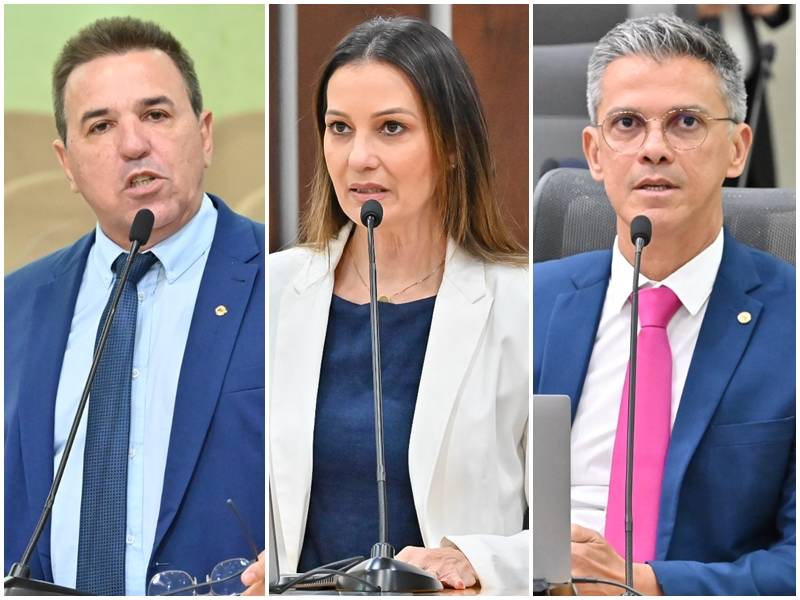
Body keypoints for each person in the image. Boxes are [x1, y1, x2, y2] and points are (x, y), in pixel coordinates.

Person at [534, 15, 794, 596]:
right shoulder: (527, 303)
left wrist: (647, 584)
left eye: (686, 123)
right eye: (627, 123)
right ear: (595, 154)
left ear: (737, 149)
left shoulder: (792, 322)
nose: (654, 148)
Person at [4, 17, 265, 595]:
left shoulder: (292, 283)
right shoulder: (14, 307)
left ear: (204, 135)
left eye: (155, 114)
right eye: (100, 126)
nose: (133, 144)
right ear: (66, 163)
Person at [270, 16, 529, 592]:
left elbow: (578, 526)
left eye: (391, 128)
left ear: (454, 145)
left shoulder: (524, 304)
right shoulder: (272, 294)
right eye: (339, 128)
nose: (359, 157)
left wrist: (482, 561)